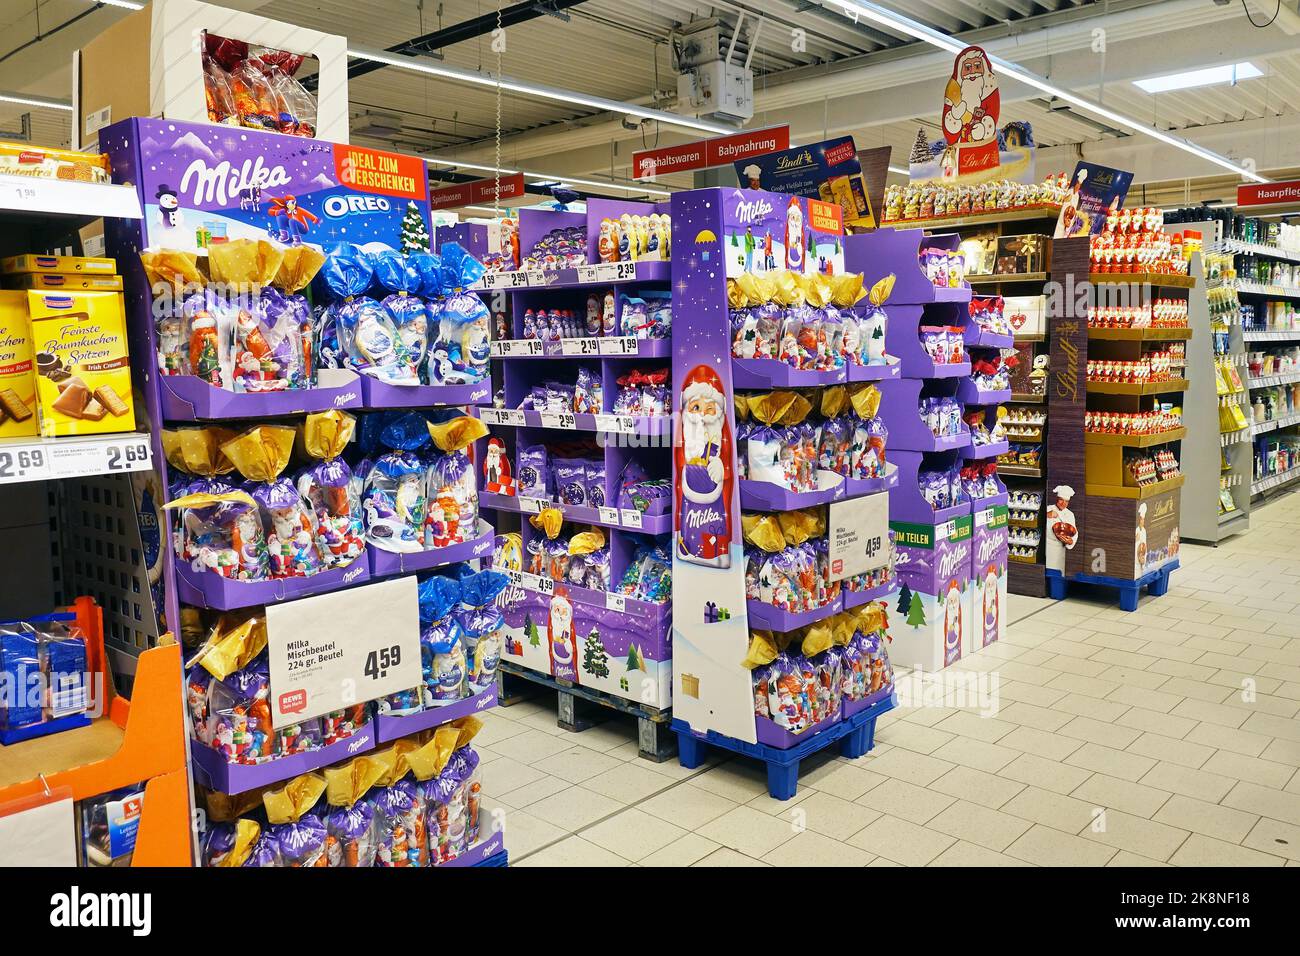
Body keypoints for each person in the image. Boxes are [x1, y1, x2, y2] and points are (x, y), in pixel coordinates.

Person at [1045, 484, 1078, 572]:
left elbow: (1074, 533)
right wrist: (1047, 515)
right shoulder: (1048, 509)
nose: (1064, 504)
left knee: (1057, 573)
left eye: (1066, 501)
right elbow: (1037, 521)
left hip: (1059, 550)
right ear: (1057, 499)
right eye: (1061, 500)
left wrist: (1070, 541)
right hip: (1047, 548)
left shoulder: (1070, 514)